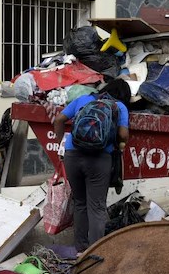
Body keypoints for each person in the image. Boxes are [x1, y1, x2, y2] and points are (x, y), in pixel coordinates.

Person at [53, 78, 131, 253]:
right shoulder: (119, 106)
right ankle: (96, 252)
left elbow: (59, 119)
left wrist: (60, 144)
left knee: (80, 203)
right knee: (96, 206)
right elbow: (123, 135)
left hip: (72, 155)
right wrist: (119, 142)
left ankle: (80, 249)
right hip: (99, 158)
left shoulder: (83, 99)